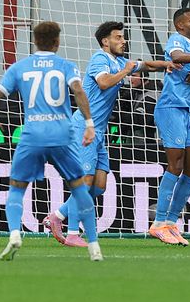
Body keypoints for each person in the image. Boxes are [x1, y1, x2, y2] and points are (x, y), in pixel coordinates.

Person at [41, 21, 178, 246]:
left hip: (99, 131)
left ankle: (57, 216)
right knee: (84, 183)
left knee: (98, 186)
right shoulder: (100, 59)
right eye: (118, 37)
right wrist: (125, 71)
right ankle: (73, 233)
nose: (123, 41)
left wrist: (167, 64)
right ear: (105, 41)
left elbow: (146, 66)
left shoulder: (120, 61)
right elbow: (104, 83)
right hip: (84, 128)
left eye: (122, 37)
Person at [0, 21, 102, 261]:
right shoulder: (66, 66)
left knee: (17, 188)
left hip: (32, 135)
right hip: (63, 136)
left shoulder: (19, 67)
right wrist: (89, 124)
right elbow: (79, 92)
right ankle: (93, 246)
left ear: (34, 40)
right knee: (80, 188)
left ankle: (15, 234)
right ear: (57, 42)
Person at [149, 8, 190, 246]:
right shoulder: (178, 41)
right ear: (180, 25)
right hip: (170, 108)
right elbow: (176, 57)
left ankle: (171, 222)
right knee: (175, 165)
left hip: (188, 111)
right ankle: (159, 222)